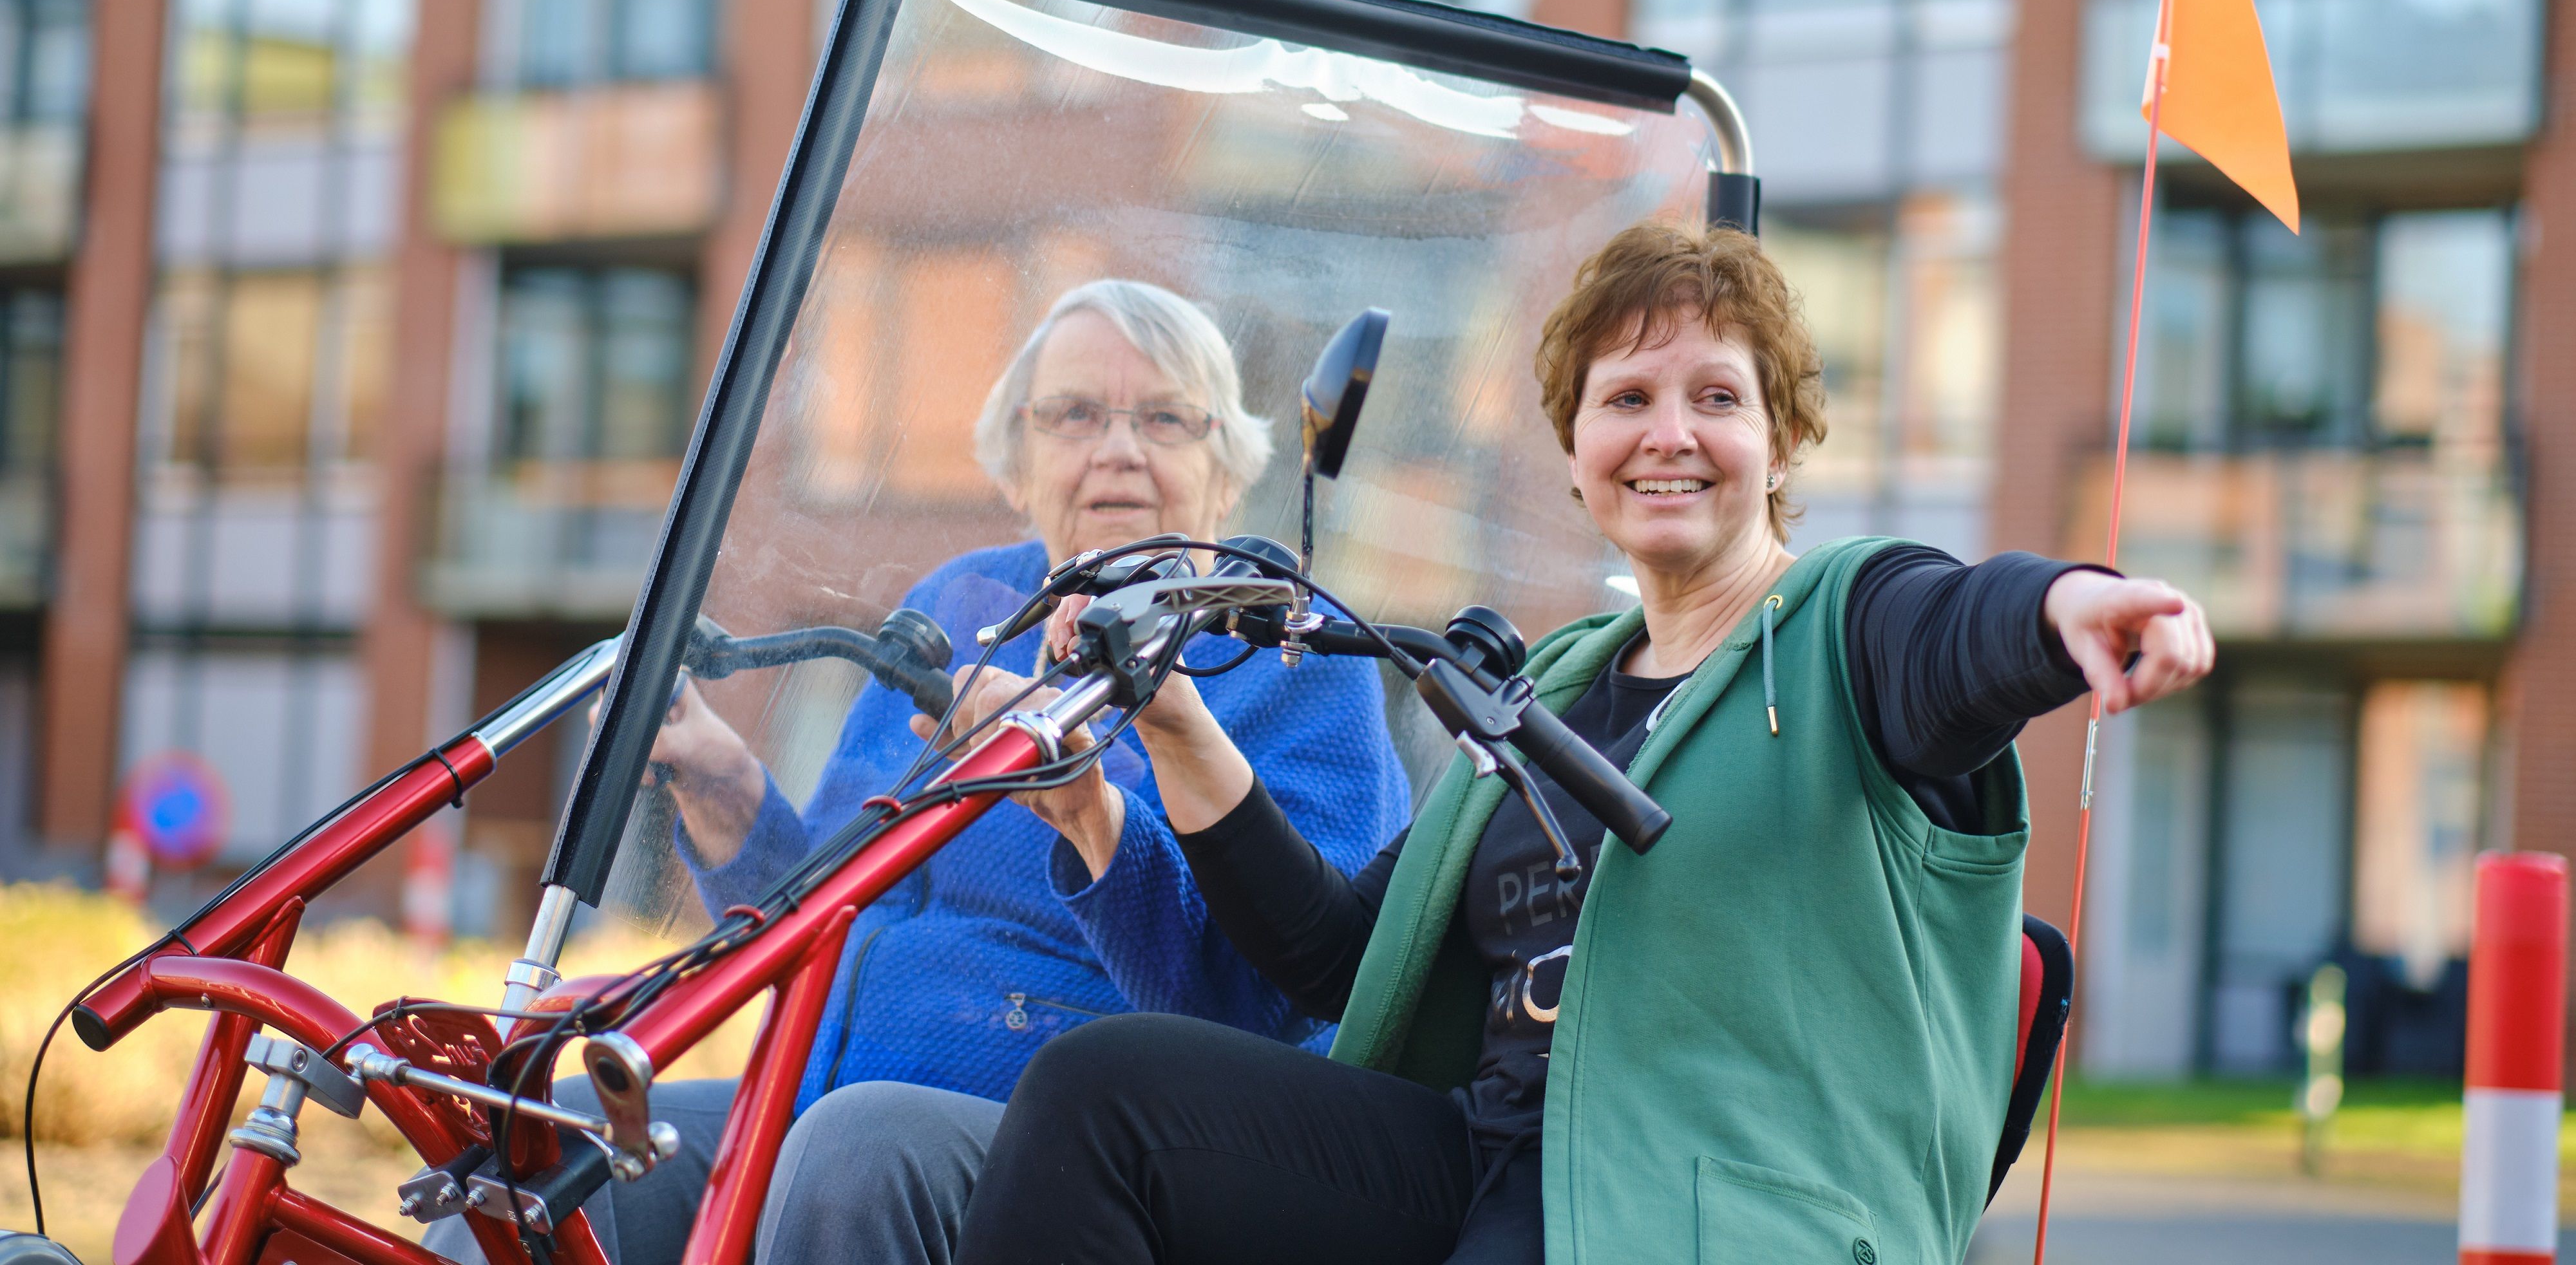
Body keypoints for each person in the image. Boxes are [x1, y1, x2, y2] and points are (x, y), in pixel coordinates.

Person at [947, 221, 2216, 1265]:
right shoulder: (1552, 684)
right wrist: (1173, 724)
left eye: (1715, 396)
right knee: (1096, 1097)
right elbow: (1336, 956)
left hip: (1704, 1193)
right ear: (1575, 451)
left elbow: (1958, 629)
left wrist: (2063, 608)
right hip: (1490, 1156)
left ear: (1776, 443)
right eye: (1625, 399)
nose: (1668, 431)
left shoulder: (1845, 622)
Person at [430, 279, 1409, 1265]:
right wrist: (721, 782)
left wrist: (1091, 815)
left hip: (1082, 1158)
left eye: (1165, 418)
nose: (1119, 448)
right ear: (1016, 464)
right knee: (529, 1155)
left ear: (1226, 469)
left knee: (858, 1152)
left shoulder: (1282, 650)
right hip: (822, 1098)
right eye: (1075, 414)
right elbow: (829, 897)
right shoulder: (966, 599)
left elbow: (1283, 998)